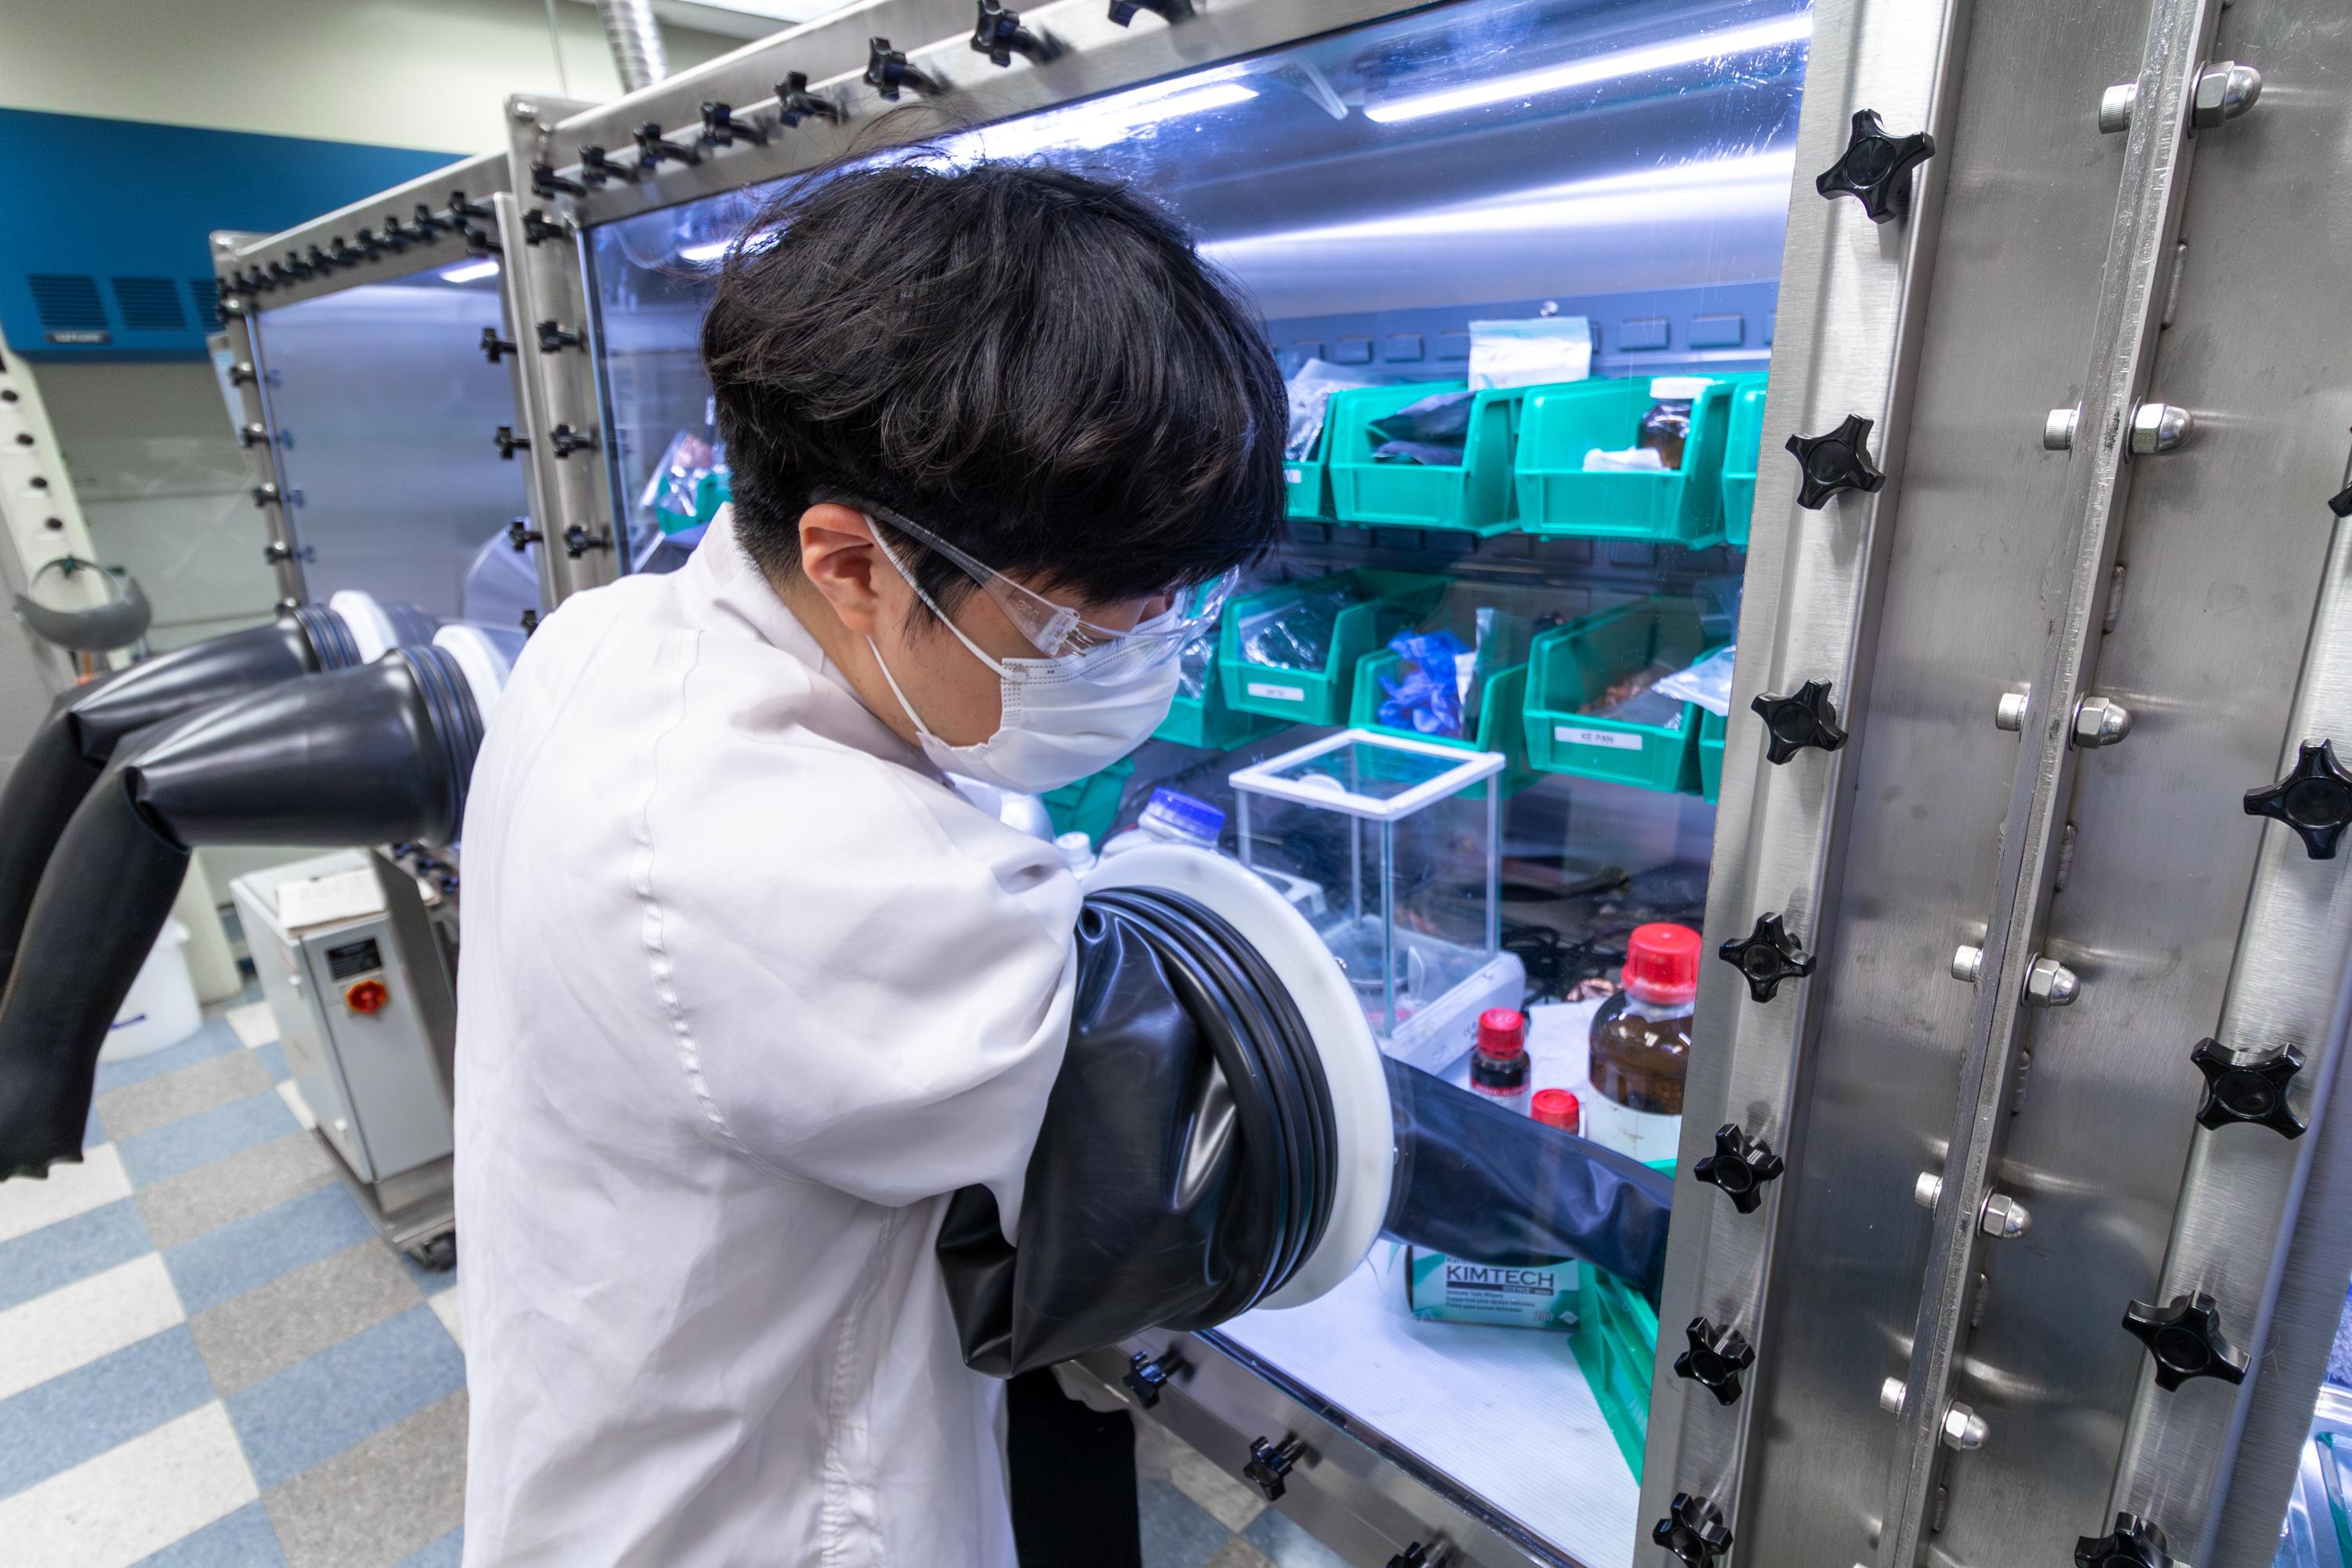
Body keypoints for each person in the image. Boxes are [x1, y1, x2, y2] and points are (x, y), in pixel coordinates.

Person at [450, 154, 1287, 1566]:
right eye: (1087, 633)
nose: (1134, 668)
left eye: (1167, 618)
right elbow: (1212, 1139)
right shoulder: (779, 859)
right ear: (852, 564)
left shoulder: (613, 635)